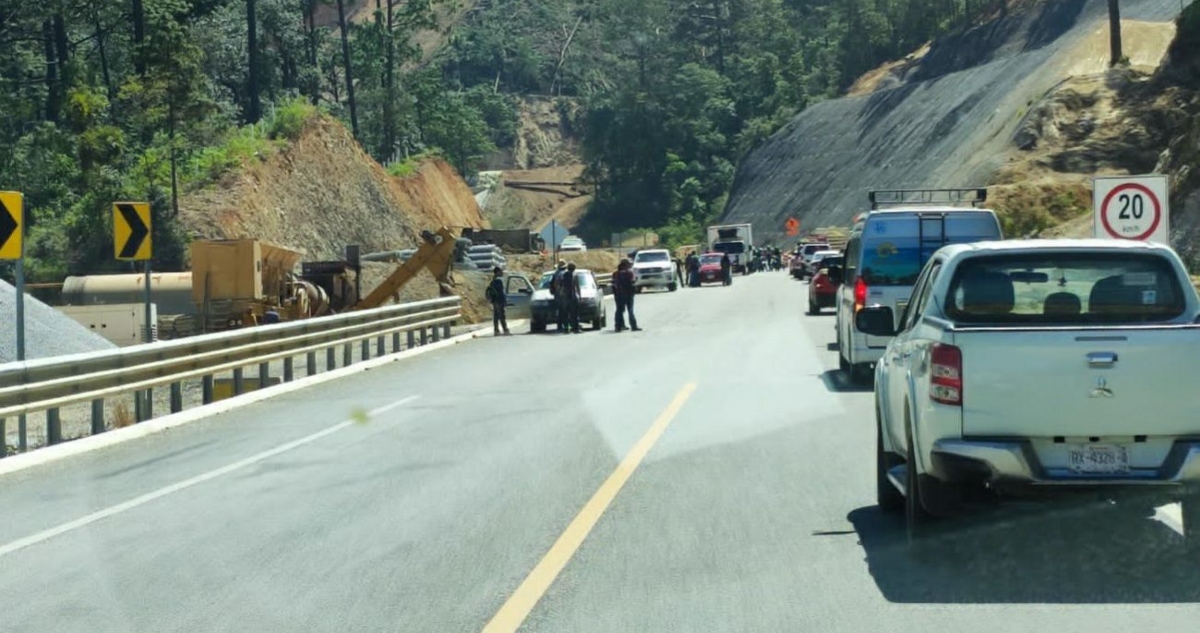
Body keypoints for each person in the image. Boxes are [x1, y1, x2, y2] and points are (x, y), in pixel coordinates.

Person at [613, 258, 641, 332]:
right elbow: (633, 282)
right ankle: (633, 326)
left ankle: (618, 326)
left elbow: (614, 284)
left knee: (619, 311)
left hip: (619, 295)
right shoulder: (630, 273)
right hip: (629, 294)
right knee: (630, 311)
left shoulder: (616, 273)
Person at [485, 266, 511, 336]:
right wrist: (504, 301)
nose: (502, 272)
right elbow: (501, 292)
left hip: (494, 301)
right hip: (499, 300)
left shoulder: (492, 281)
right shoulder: (499, 281)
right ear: (497, 272)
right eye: (500, 271)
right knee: (502, 315)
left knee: (496, 316)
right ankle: (505, 330)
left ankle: (496, 330)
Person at [562, 262, 582, 334]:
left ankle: (566, 328)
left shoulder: (564, 275)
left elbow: (561, 285)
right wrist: (579, 296)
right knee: (575, 314)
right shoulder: (574, 275)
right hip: (573, 296)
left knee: (566, 313)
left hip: (566, 297)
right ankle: (575, 328)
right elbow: (577, 286)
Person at [551, 259, 569, 332]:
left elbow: (552, 284)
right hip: (565, 295)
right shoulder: (566, 273)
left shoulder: (555, 274)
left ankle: (559, 326)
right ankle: (566, 325)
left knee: (559, 311)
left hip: (557, 295)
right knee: (566, 311)